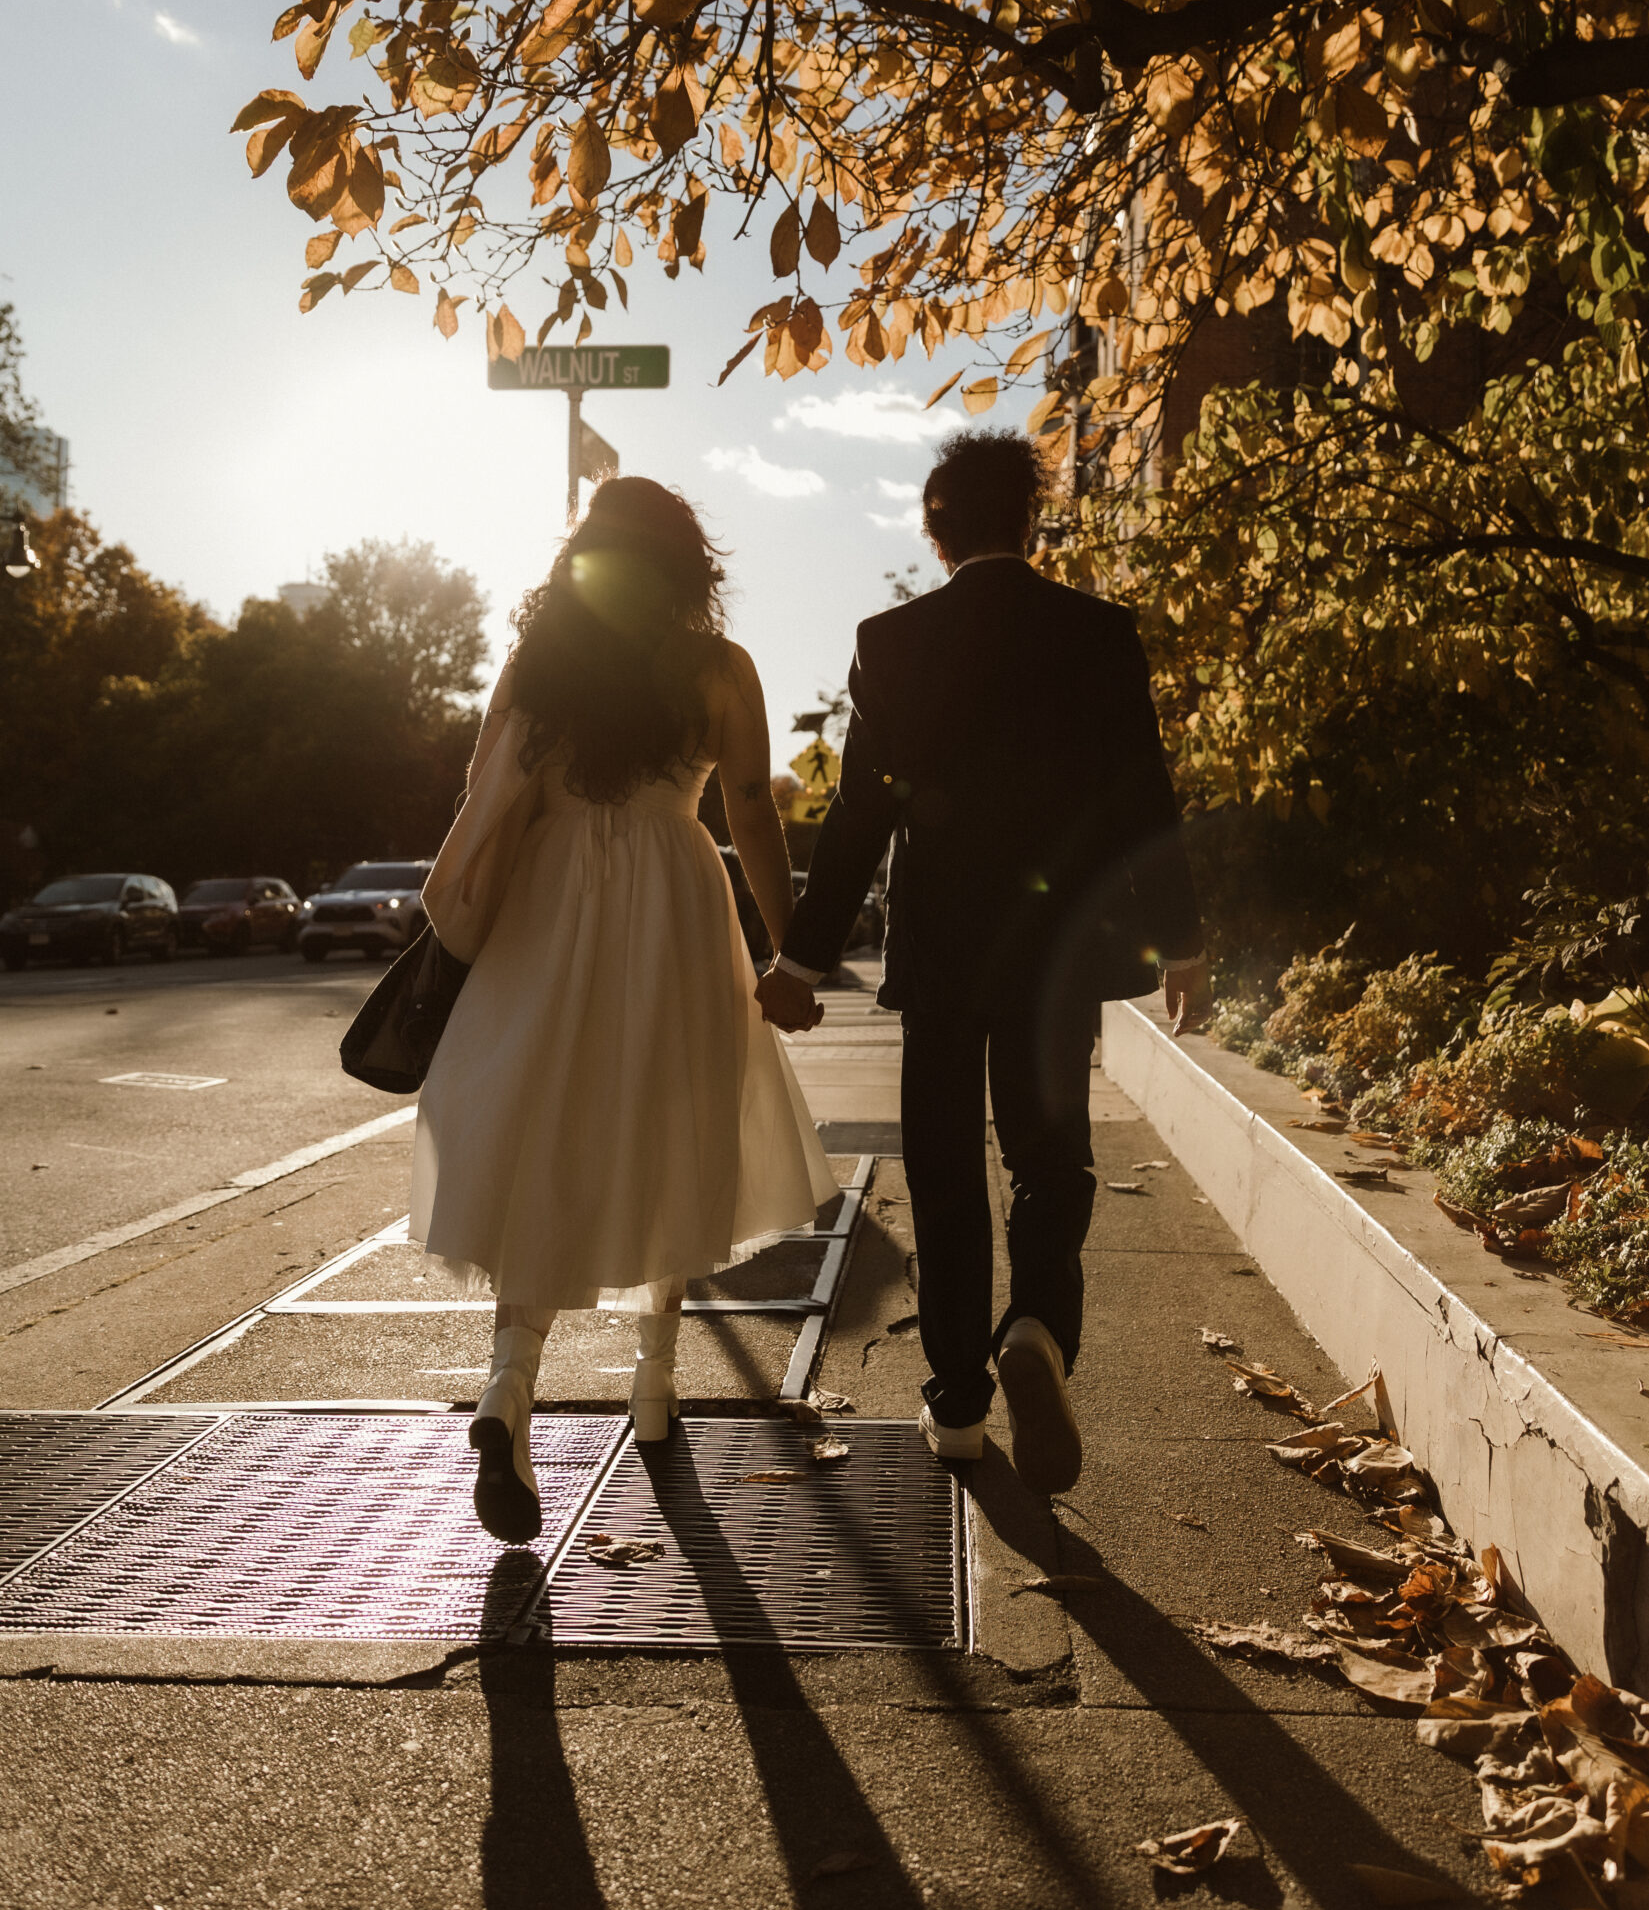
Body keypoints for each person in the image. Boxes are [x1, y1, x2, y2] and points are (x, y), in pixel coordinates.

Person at [756, 430, 1208, 1496]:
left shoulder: (893, 639)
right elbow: (1144, 793)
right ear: (1030, 519)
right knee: (1051, 1159)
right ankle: (1041, 1329)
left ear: (936, 527)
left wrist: (802, 960)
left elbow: (862, 809)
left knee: (945, 1163)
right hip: (1059, 950)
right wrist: (1179, 936)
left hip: (945, 947)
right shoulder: (1098, 633)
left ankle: (958, 1399)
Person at [410, 478, 836, 1543]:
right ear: (691, 563)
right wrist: (793, 948)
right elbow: (748, 811)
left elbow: (483, 789)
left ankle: (511, 1384)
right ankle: (655, 1380)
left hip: (549, 903)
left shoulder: (539, 661)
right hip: (677, 896)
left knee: (540, 1123)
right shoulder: (719, 669)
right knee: (672, 1118)